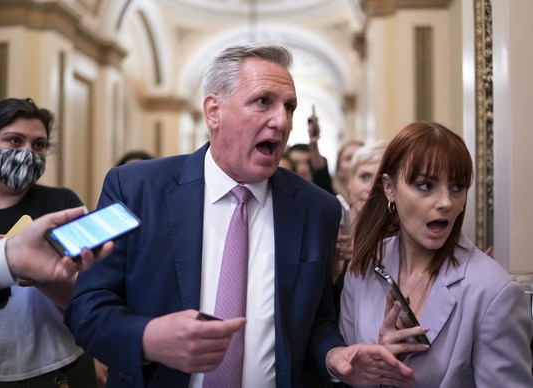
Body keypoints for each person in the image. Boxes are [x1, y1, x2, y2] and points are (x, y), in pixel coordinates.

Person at [65, 44, 416, 387]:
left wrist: (334, 356)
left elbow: (317, 321)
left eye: (289, 107)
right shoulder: (135, 189)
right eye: (263, 101)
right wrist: (147, 338)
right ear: (213, 111)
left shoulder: (317, 208)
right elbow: (86, 309)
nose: (282, 121)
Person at [339, 122, 533, 387]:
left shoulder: (493, 291)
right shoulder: (363, 268)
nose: (446, 202)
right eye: (425, 186)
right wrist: (374, 366)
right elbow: (347, 373)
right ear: (389, 187)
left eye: (457, 187)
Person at [0, 98, 98, 386]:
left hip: (57, 370)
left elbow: (87, 301)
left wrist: (43, 277)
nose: (28, 153)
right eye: (15, 141)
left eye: (39, 145)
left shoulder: (63, 205)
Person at [0, 206, 113, 313]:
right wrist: (11, 256)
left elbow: (83, 299)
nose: (27, 153)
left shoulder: (61, 201)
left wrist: (38, 277)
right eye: (16, 150)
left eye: (38, 150)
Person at [333, 141, 387, 312]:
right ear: (349, 181)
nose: (372, 188)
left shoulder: (404, 238)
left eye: (380, 180)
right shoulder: (331, 229)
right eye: (365, 177)